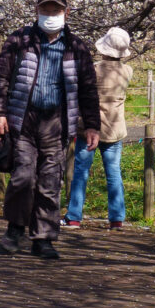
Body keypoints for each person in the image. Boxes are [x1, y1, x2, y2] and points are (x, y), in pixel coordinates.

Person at [0, 0, 102, 259]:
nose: (50, 15)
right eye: (46, 10)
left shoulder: (77, 47)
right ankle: (15, 227)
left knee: (50, 181)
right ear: (37, 11)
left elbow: (88, 89)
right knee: (23, 177)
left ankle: (44, 238)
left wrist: (92, 125)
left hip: (57, 123)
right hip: (23, 120)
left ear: (66, 13)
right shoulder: (20, 40)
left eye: (56, 10)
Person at [64, 27, 136, 230]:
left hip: (89, 127)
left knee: (81, 172)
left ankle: (74, 216)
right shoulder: (127, 71)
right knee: (113, 173)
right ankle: (116, 218)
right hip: (115, 129)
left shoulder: (93, 69)